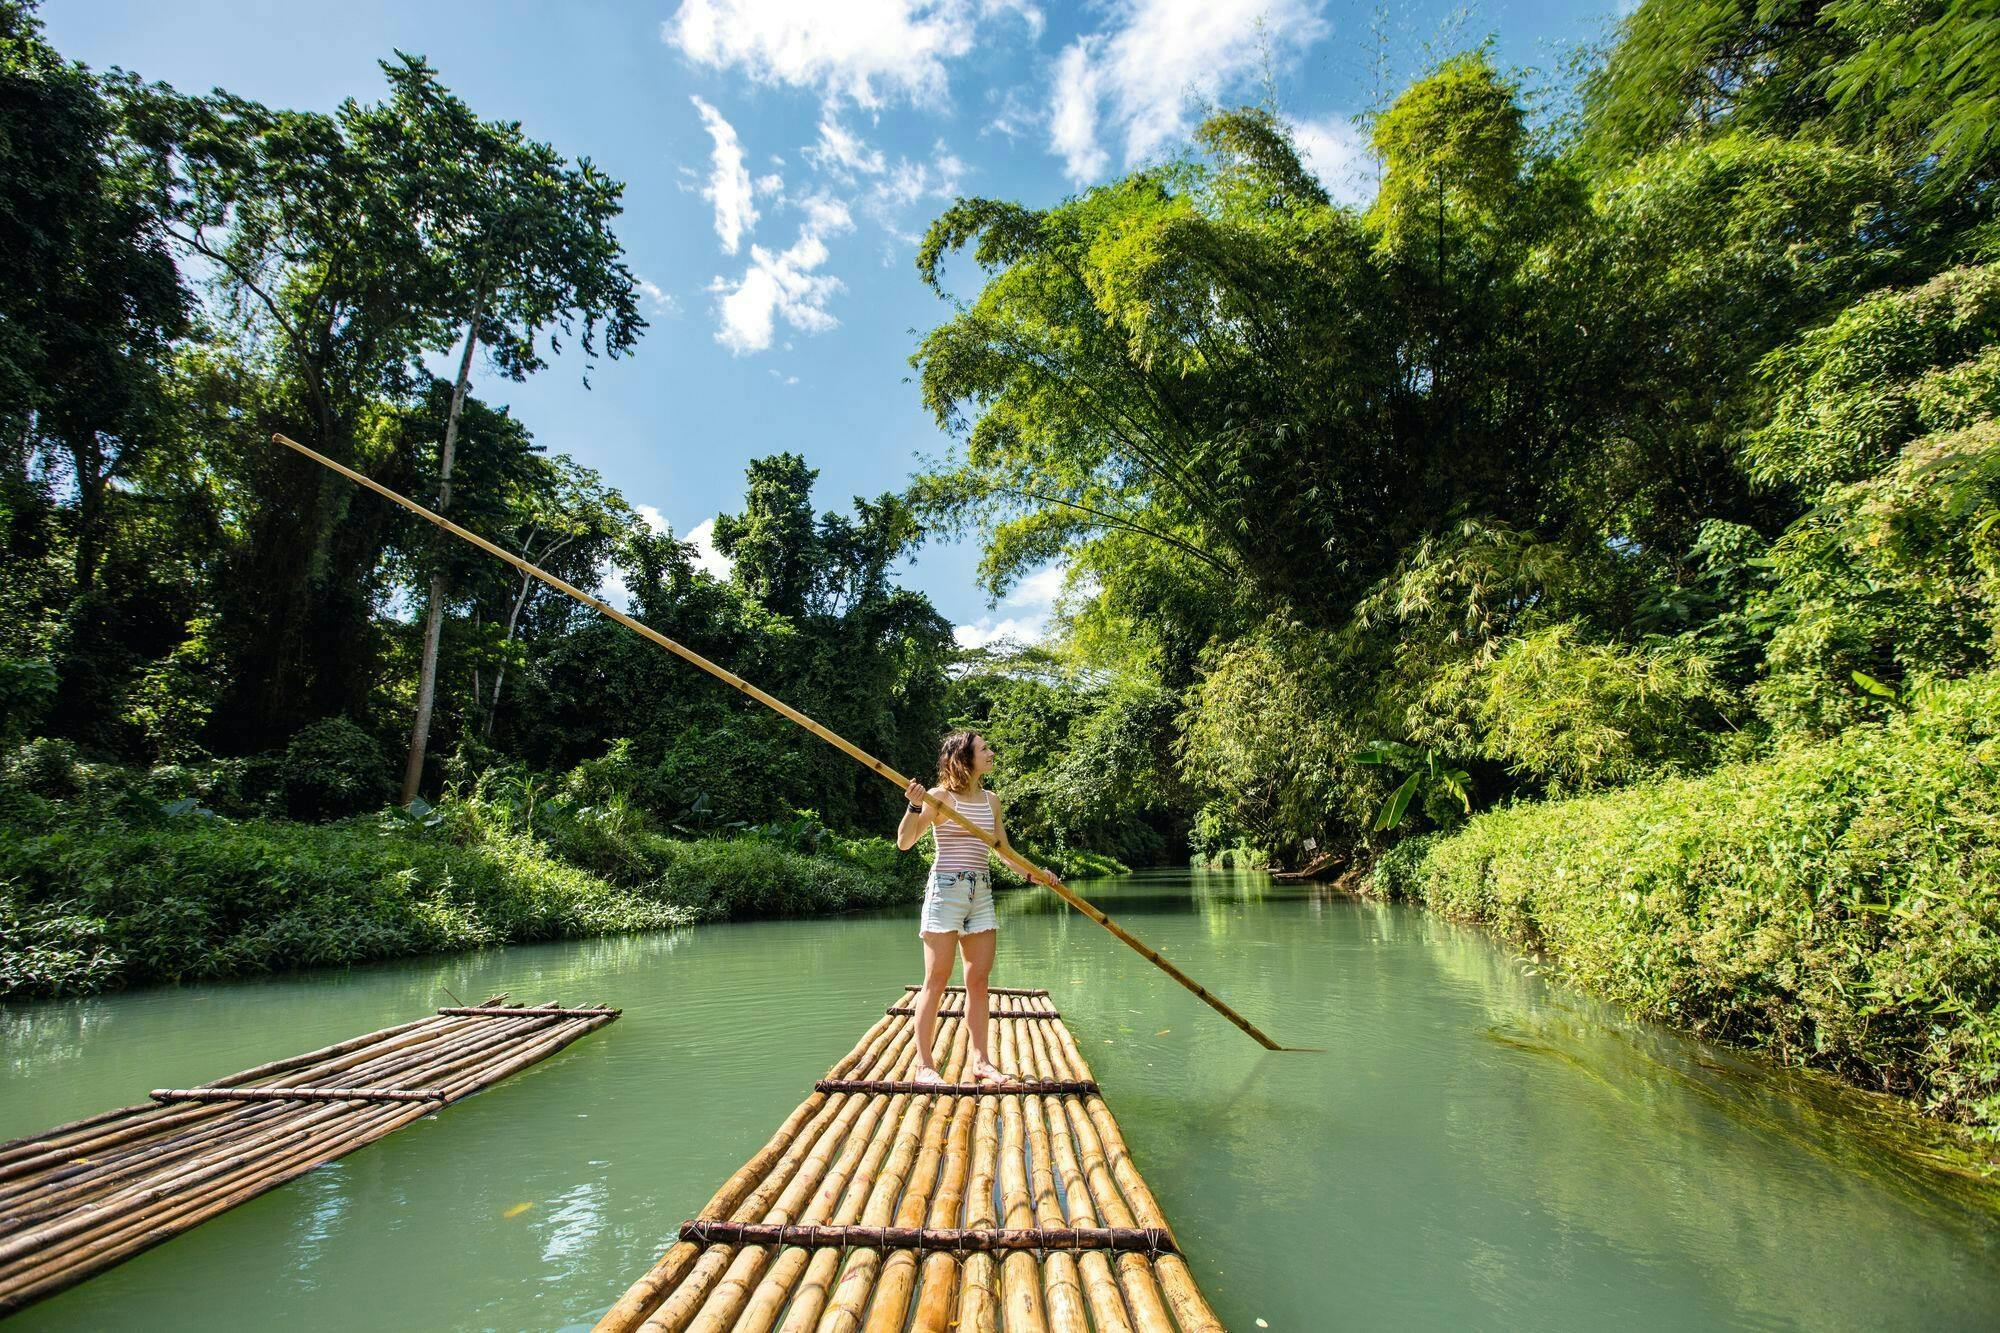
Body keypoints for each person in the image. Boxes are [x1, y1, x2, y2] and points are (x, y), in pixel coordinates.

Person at [896, 729, 1054, 1086]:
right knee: (936, 981)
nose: (991, 752)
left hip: (980, 892)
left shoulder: (991, 800)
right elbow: (905, 842)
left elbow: (1004, 852)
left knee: (979, 982)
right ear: (964, 758)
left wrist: (1034, 874)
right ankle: (924, 1066)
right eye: (984, 749)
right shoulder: (939, 798)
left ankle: (980, 1062)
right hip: (946, 890)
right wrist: (914, 805)